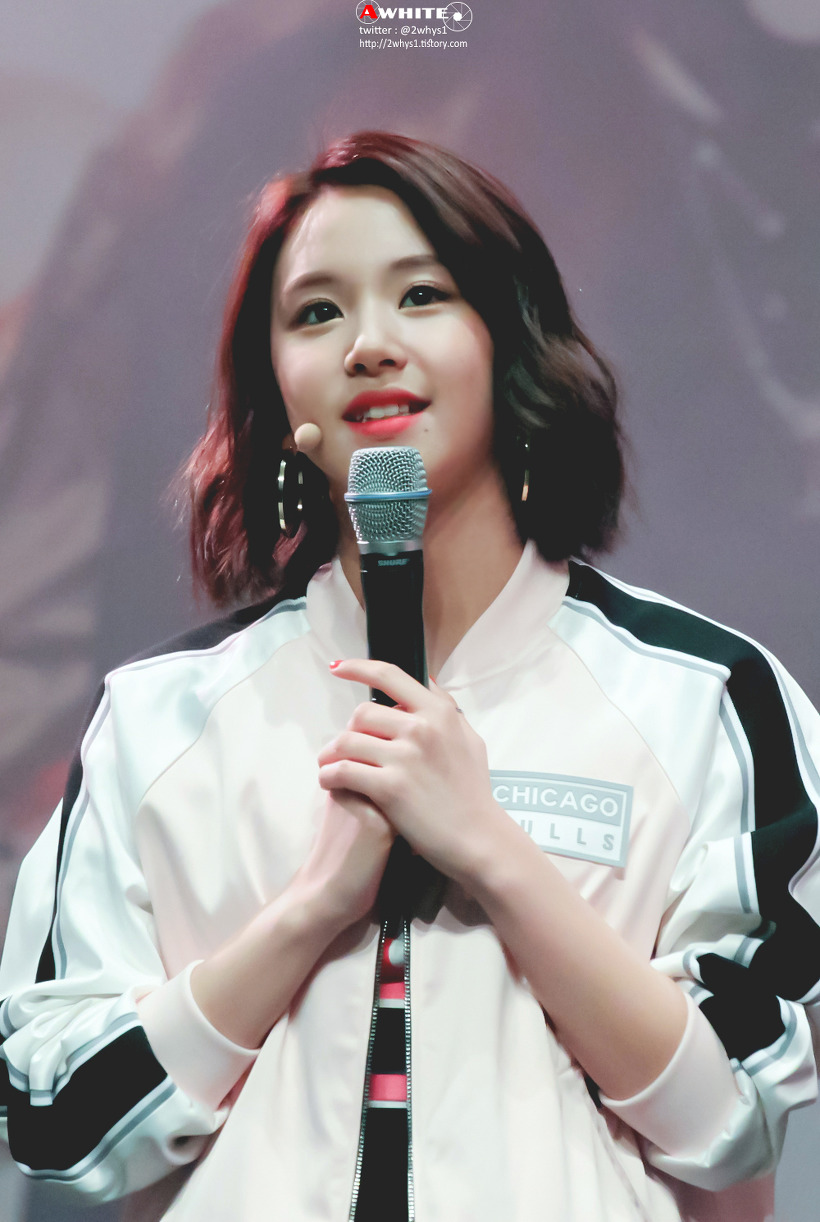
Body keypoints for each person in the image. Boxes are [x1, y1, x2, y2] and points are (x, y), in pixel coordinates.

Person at [1, 130, 818, 1222]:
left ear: (508, 341)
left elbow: (735, 1118)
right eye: (317, 313)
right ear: (279, 391)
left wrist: (489, 849)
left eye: (422, 295)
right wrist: (311, 909)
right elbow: (53, 1119)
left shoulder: (704, 698)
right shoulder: (158, 720)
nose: (369, 345)